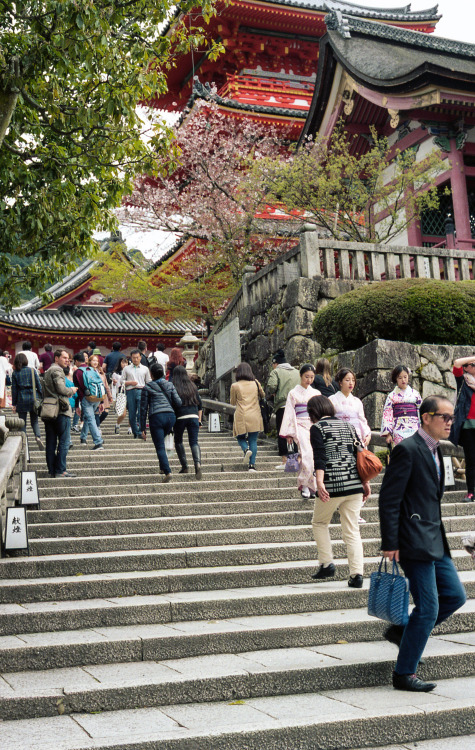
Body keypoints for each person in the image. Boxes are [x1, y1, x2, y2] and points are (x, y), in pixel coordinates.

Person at [379, 395, 466, 693]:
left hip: (435, 539)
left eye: (452, 418)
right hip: (413, 541)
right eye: (445, 417)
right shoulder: (407, 449)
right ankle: (404, 673)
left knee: (455, 596)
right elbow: (389, 500)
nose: (449, 423)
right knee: (428, 609)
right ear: (426, 417)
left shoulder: (437, 451)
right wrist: (390, 541)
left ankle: (404, 632)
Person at [308, 395, 369, 587]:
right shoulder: (349, 426)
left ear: (314, 413)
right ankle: (357, 574)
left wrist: (319, 482)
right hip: (354, 484)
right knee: (352, 530)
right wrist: (365, 482)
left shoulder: (317, 428)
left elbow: (320, 456)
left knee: (319, 522)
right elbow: (360, 453)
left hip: (333, 484)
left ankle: (327, 563)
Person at [279, 364, 320, 498]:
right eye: (306, 377)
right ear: (301, 376)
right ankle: (304, 485)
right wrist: (289, 433)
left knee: (314, 456)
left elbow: (320, 411)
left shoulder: (316, 393)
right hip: (299, 426)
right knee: (306, 455)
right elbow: (289, 412)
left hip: (313, 425)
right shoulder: (293, 393)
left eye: (312, 377)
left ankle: (312, 486)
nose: (309, 380)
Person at [140, 363, 182, 482]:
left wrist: (142, 427)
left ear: (151, 374)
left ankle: (167, 471)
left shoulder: (147, 387)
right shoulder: (170, 384)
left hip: (156, 417)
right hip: (170, 417)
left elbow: (143, 409)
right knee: (162, 441)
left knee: (159, 446)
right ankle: (163, 468)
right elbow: (178, 402)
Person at [43, 349, 78, 477]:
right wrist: (72, 390)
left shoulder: (47, 371)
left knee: (51, 442)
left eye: (68, 358)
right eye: (64, 357)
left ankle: (52, 469)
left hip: (49, 409)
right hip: (61, 410)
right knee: (64, 441)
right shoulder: (57, 370)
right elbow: (61, 389)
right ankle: (61, 470)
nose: (67, 360)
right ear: (56, 358)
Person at [266, 349, 300, 469]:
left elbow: (271, 386)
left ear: (276, 363)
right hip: (296, 407)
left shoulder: (276, 372)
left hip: (283, 406)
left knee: (283, 433)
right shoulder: (297, 372)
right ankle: (293, 461)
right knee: (293, 433)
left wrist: (273, 392)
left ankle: (285, 461)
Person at [230, 362, 265, 472]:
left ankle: (246, 450)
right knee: (253, 440)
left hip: (242, 415)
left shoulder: (235, 386)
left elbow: (232, 402)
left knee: (240, 437)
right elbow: (263, 395)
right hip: (254, 414)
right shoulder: (255, 383)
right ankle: (252, 466)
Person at [449, 353, 475, 502]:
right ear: (467, 368)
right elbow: (457, 363)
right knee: (471, 460)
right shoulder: (463, 381)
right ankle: (471, 492)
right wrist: (472, 359)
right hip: (467, 426)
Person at [172, 365, 203, 479]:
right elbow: (200, 406)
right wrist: (199, 421)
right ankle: (197, 463)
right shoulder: (193, 386)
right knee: (194, 441)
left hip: (179, 417)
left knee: (178, 441)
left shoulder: (174, 387)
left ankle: (185, 466)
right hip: (194, 416)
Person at [380, 365, 422, 447]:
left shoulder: (415, 394)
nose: (403, 380)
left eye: (405, 377)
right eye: (400, 378)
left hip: (414, 428)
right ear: (396, 379)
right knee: (400, 454)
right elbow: (387, 414)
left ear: (408, 377)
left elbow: (421, 411)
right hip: (398, 429)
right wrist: (389, 433)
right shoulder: (391, 396)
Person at [11, 352, 44, 450]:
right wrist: (42, 397)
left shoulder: (15, 373)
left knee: (22, 422)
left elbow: (14, 389)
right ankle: (38, 437)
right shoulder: (32, 371)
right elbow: (39, 385)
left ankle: (24, 442)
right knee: (34, 421)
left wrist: (14, 404)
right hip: (33, 398)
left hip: (21, 398)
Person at [329, 368, 371, 446]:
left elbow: (362, 420)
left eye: (353, 380)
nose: (351, 383)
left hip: (356, 435)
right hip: (338, 435)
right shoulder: (332, 399)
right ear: (340, 382)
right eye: (347, 380)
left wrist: (367, 435)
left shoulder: (357, 401)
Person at [73, 352, 105, 451]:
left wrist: (77, 404)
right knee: (88, 417)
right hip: (97, 397)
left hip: (86, 398)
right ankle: (83, 438)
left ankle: (98, 442)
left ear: (77, 361)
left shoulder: (77, 372)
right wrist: (101, 402)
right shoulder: (92, 369)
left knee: (90, 419)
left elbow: (77, 389)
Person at [123, 349, 152, 438]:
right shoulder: (126, 368)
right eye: (133, 358)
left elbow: (148, 381)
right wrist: (130, 382)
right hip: (130, 391)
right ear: (131, 358)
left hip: (142, 390)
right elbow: (122, 381)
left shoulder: (145, 369)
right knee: (131, 413)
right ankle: (136, 431)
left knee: (141, 412)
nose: (135, 359)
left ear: (140, 357)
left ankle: (140, 431)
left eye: (137, 357)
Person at [88, 354, 113, 426]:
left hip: (102, 394)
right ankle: (97, 428)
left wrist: (110, 396)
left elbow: (106, 385)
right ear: (90, 362)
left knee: (105, 412)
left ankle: (95, 425)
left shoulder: (101, 371)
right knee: (96, 412)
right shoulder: (88, 371)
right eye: (93, 361)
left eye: (96, 361)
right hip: (94, 394)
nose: (95, 362)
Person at [112, 356, 128, 434]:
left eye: (126, 362)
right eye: (123, 362)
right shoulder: (116, 374)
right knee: (123, 413)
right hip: (121, 392)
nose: (124, 364)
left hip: (130, 391)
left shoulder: (130, 372)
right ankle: (117, 424)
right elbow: (114, 385)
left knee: (132, 412)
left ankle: (130, 428)